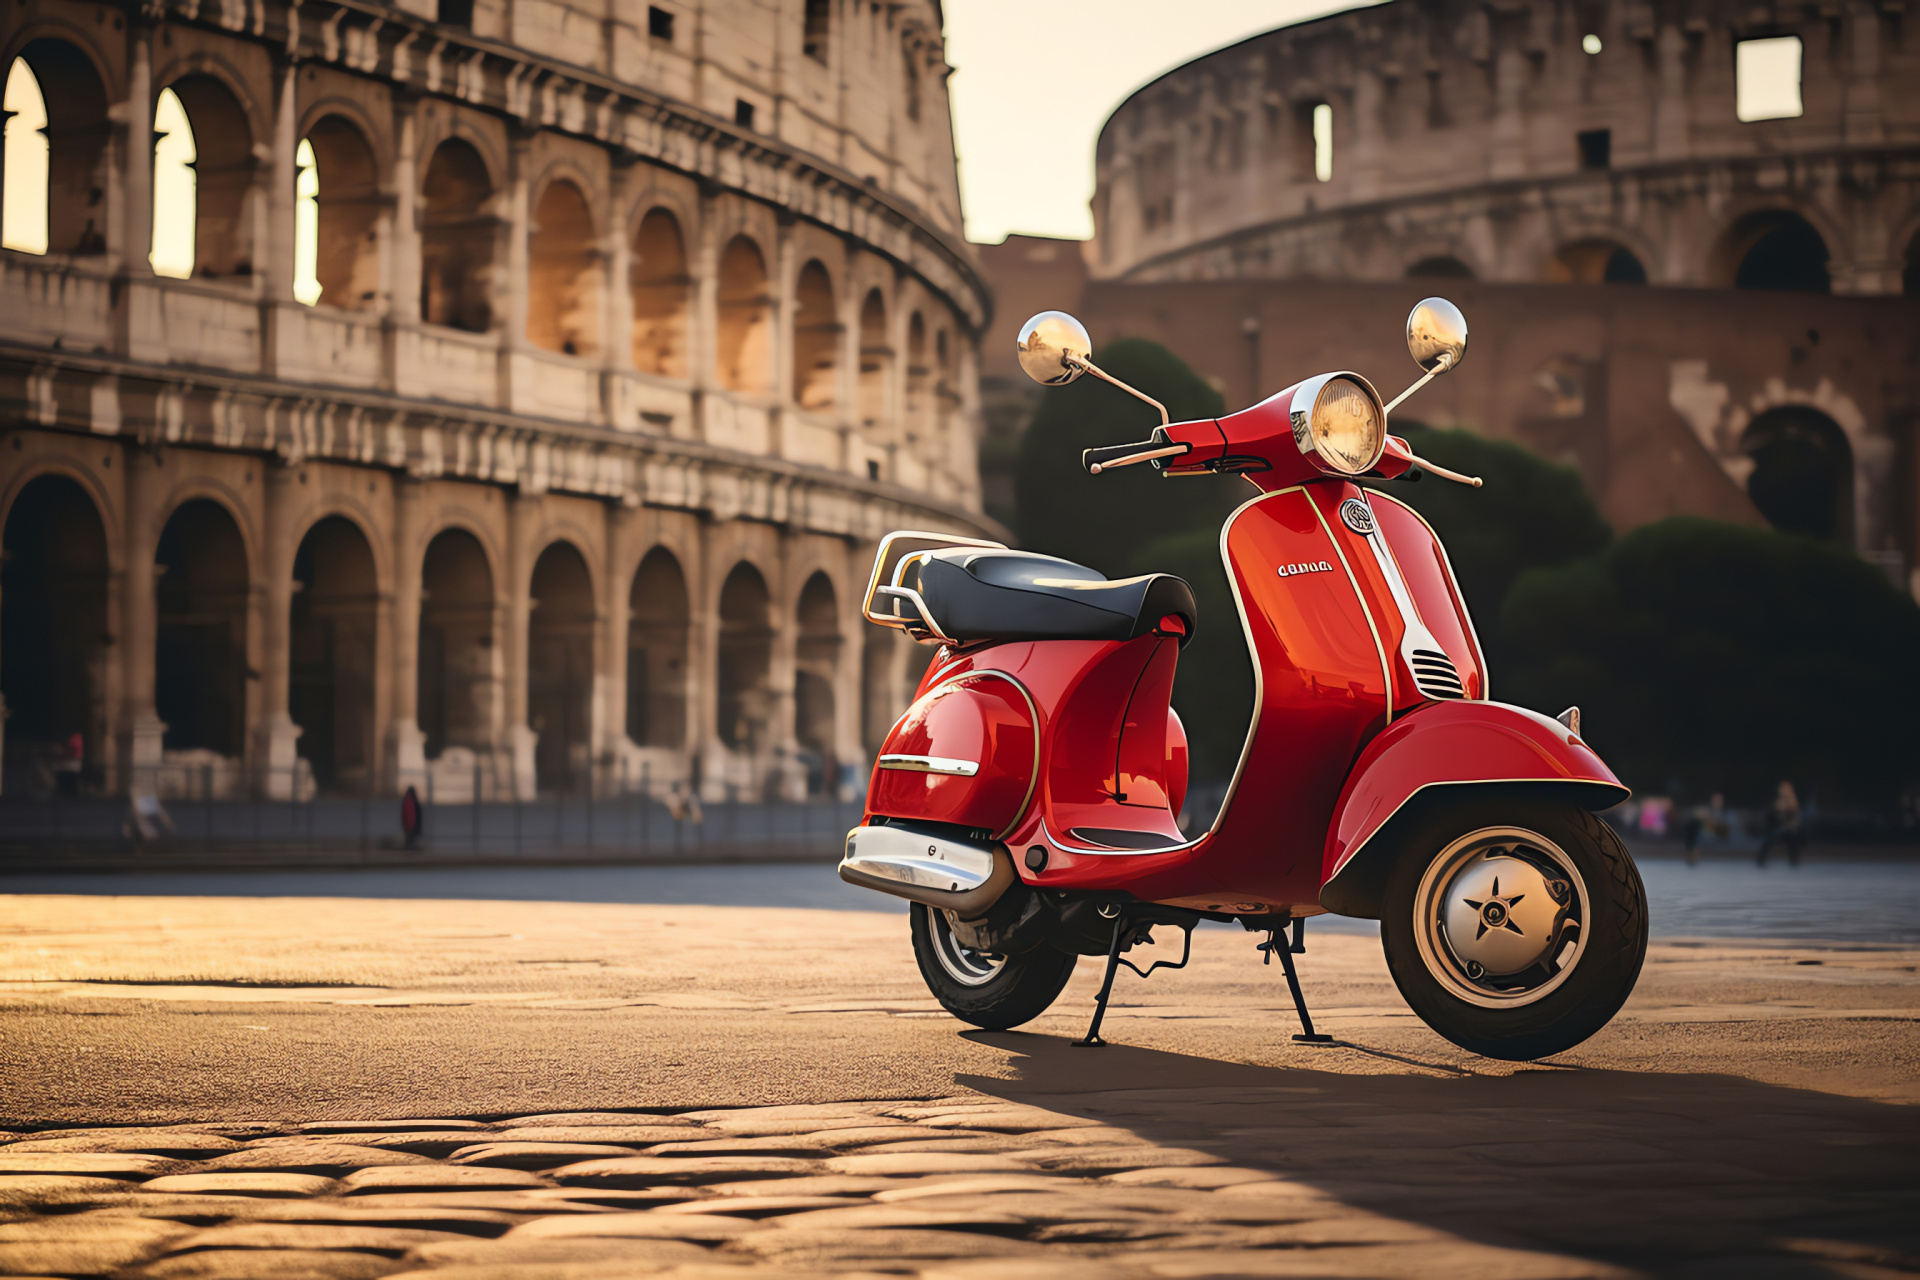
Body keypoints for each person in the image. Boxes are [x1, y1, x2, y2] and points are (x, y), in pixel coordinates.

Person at [1756, 781, 1802, 867]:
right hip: (1777, 829)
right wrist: (1777, 813)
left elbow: (1794, 818)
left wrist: (1786, 815)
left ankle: (1794, 861)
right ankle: (1760, 860)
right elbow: (1771, 817)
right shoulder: (1777, 801)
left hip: (1789, 830)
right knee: (1769, 839)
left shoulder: (1793, 801)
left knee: (1793, 839)